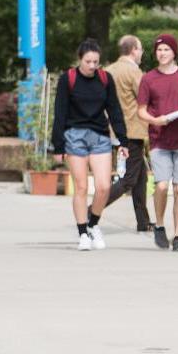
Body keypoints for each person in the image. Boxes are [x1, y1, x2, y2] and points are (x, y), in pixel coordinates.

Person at [51, 38, 129, 251]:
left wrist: (123, 140)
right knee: (82, 187)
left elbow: (114, 110)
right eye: (88, 62)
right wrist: (58, 146)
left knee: (104, 187)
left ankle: (94, 224)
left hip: (100, 137)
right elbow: (60, 113)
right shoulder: (68, 79)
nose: (93, 66)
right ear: (80, 59)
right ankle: (83, 233)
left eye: (96, 61)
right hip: (74, 137)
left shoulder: (105, 79)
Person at [136, 34, 178, 252]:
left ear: (174, 52)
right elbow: (141, 110)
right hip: (159, 140)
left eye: (166, 49)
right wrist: (154, 120)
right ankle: (159, 225)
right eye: (159, 50)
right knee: (162, 185)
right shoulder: (148, 79)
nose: (162, 53)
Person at [104, 35, 154, 232]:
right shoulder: (133, 71)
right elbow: (145, 98)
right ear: (133, 49)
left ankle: (143, 222)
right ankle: (92, 211)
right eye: (140, 49)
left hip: (114, 131)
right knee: (128, 180)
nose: (141, 53)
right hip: (132, 131)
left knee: (141, 177)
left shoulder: (108, 71)